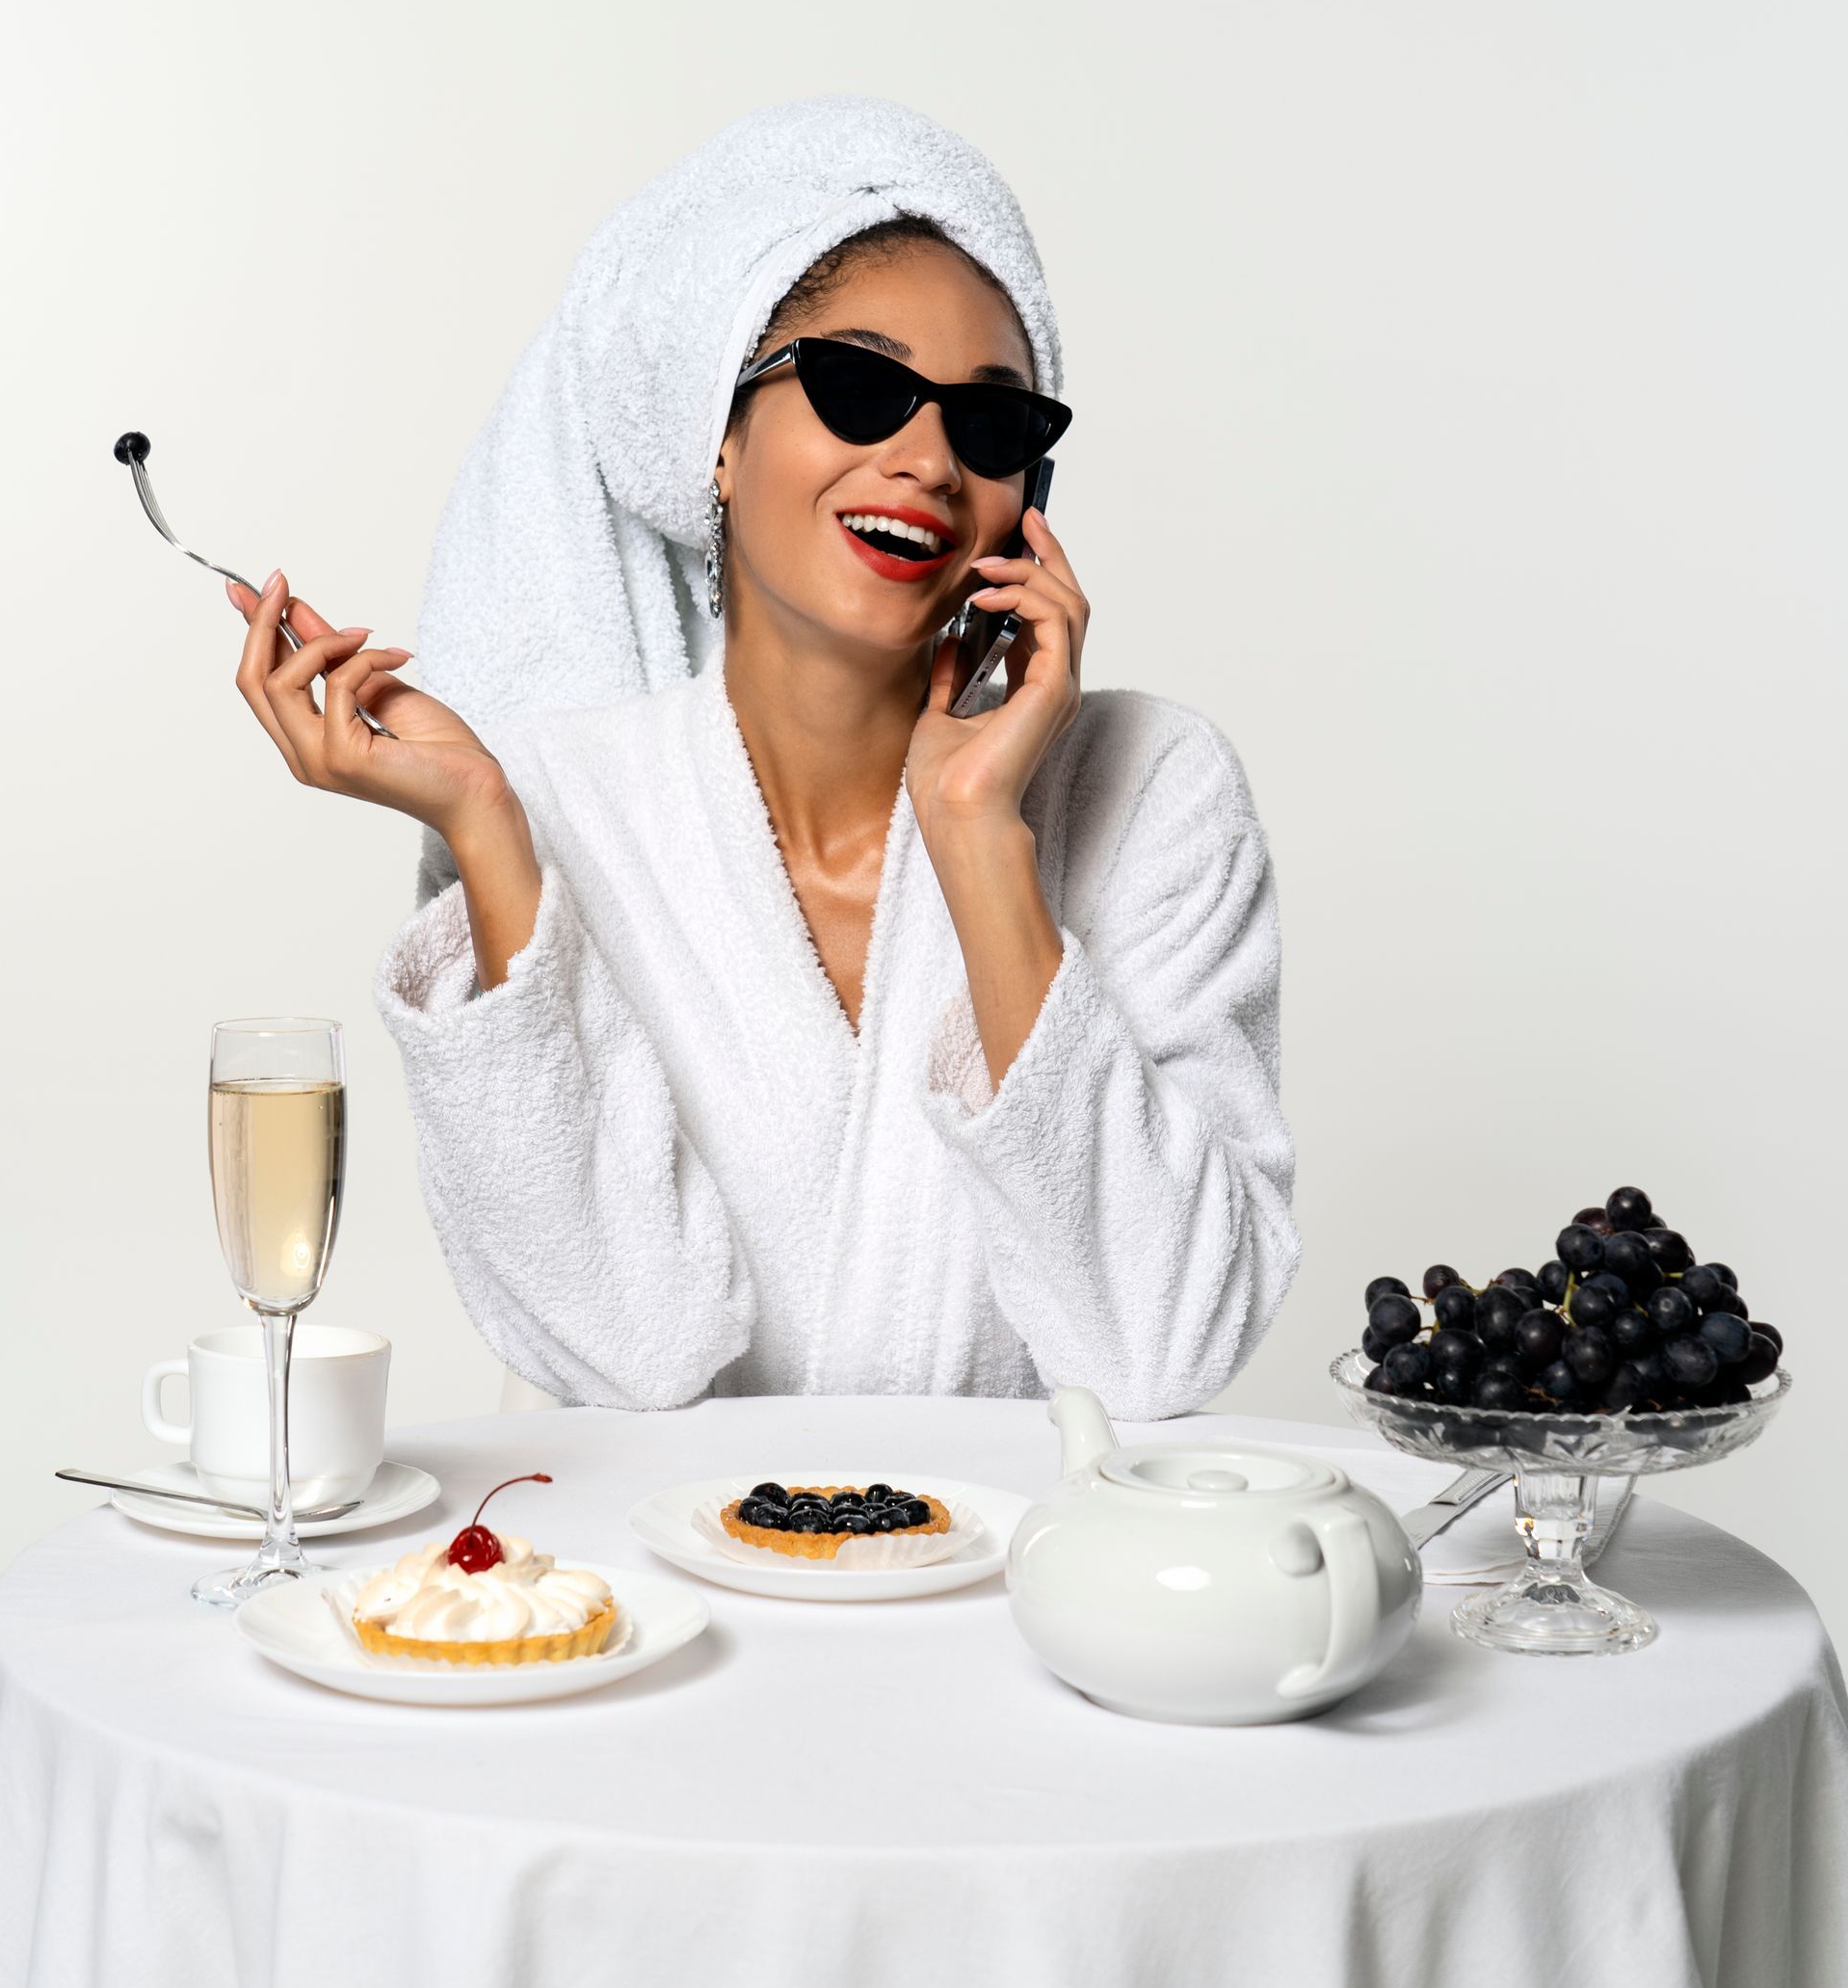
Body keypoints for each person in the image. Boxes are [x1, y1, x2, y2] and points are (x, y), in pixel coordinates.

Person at [226, 97, 1298, 1413]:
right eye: (860, 389)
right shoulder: (556, 804)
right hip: (649, 1608)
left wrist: (979, 838)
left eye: (991, 426)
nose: (925, 461)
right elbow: (623, 1348)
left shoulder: (1153, 793)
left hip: (1016, 1601)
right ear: (719, 444)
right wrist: (488, 830)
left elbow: (1164, 1347)